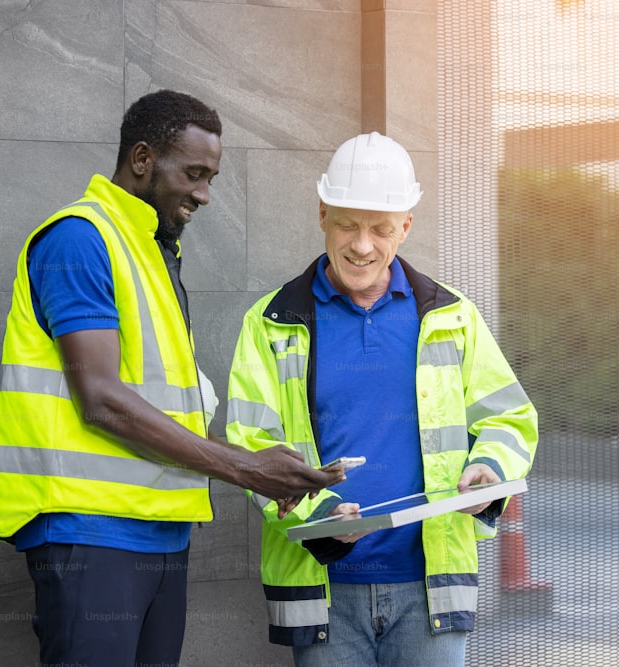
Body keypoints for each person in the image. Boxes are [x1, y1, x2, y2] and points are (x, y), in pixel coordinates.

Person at [0, 89, 342, 667]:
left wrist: (266, 463)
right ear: (142, 159)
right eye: (194, 173)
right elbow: (102, 400)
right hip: (90, 531)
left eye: (212, 177)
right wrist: (247, 468)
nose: (204, 193)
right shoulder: (80, 238)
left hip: (160, 533)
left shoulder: (153, 252)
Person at [226, 131, 539, 666]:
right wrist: (321, 513)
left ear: (406, 228)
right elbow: (254, 446)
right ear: (322, 213)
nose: (362, 245)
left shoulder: (452, 317)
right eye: (347, 223)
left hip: (431, 588)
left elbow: (509, 416)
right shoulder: (271, 324)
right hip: (322, 590)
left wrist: (489, 468)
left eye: (381, 228)